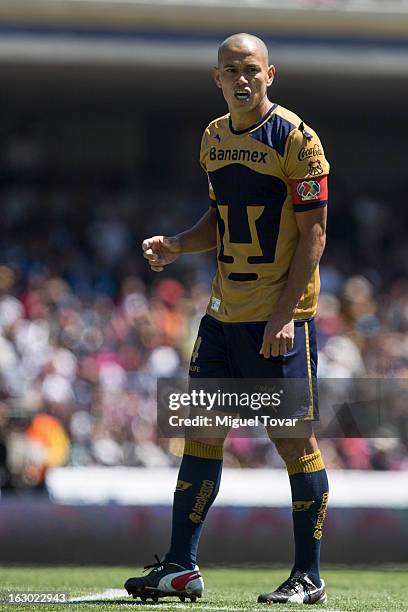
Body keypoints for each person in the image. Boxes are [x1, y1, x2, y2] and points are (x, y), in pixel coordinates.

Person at [125, 32, 329, 605]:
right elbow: (220, 220)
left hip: (278, 321)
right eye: (230, 70)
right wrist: (175, 244)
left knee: (295, 442)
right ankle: (181, 567)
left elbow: (314, 233)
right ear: (216, 78)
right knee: (200, 436)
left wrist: (287, 314)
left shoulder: (298, 140)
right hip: (221, 317)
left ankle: (307, 577)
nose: (241, 79)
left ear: (271, 75)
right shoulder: (212, 139)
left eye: (251, 69)